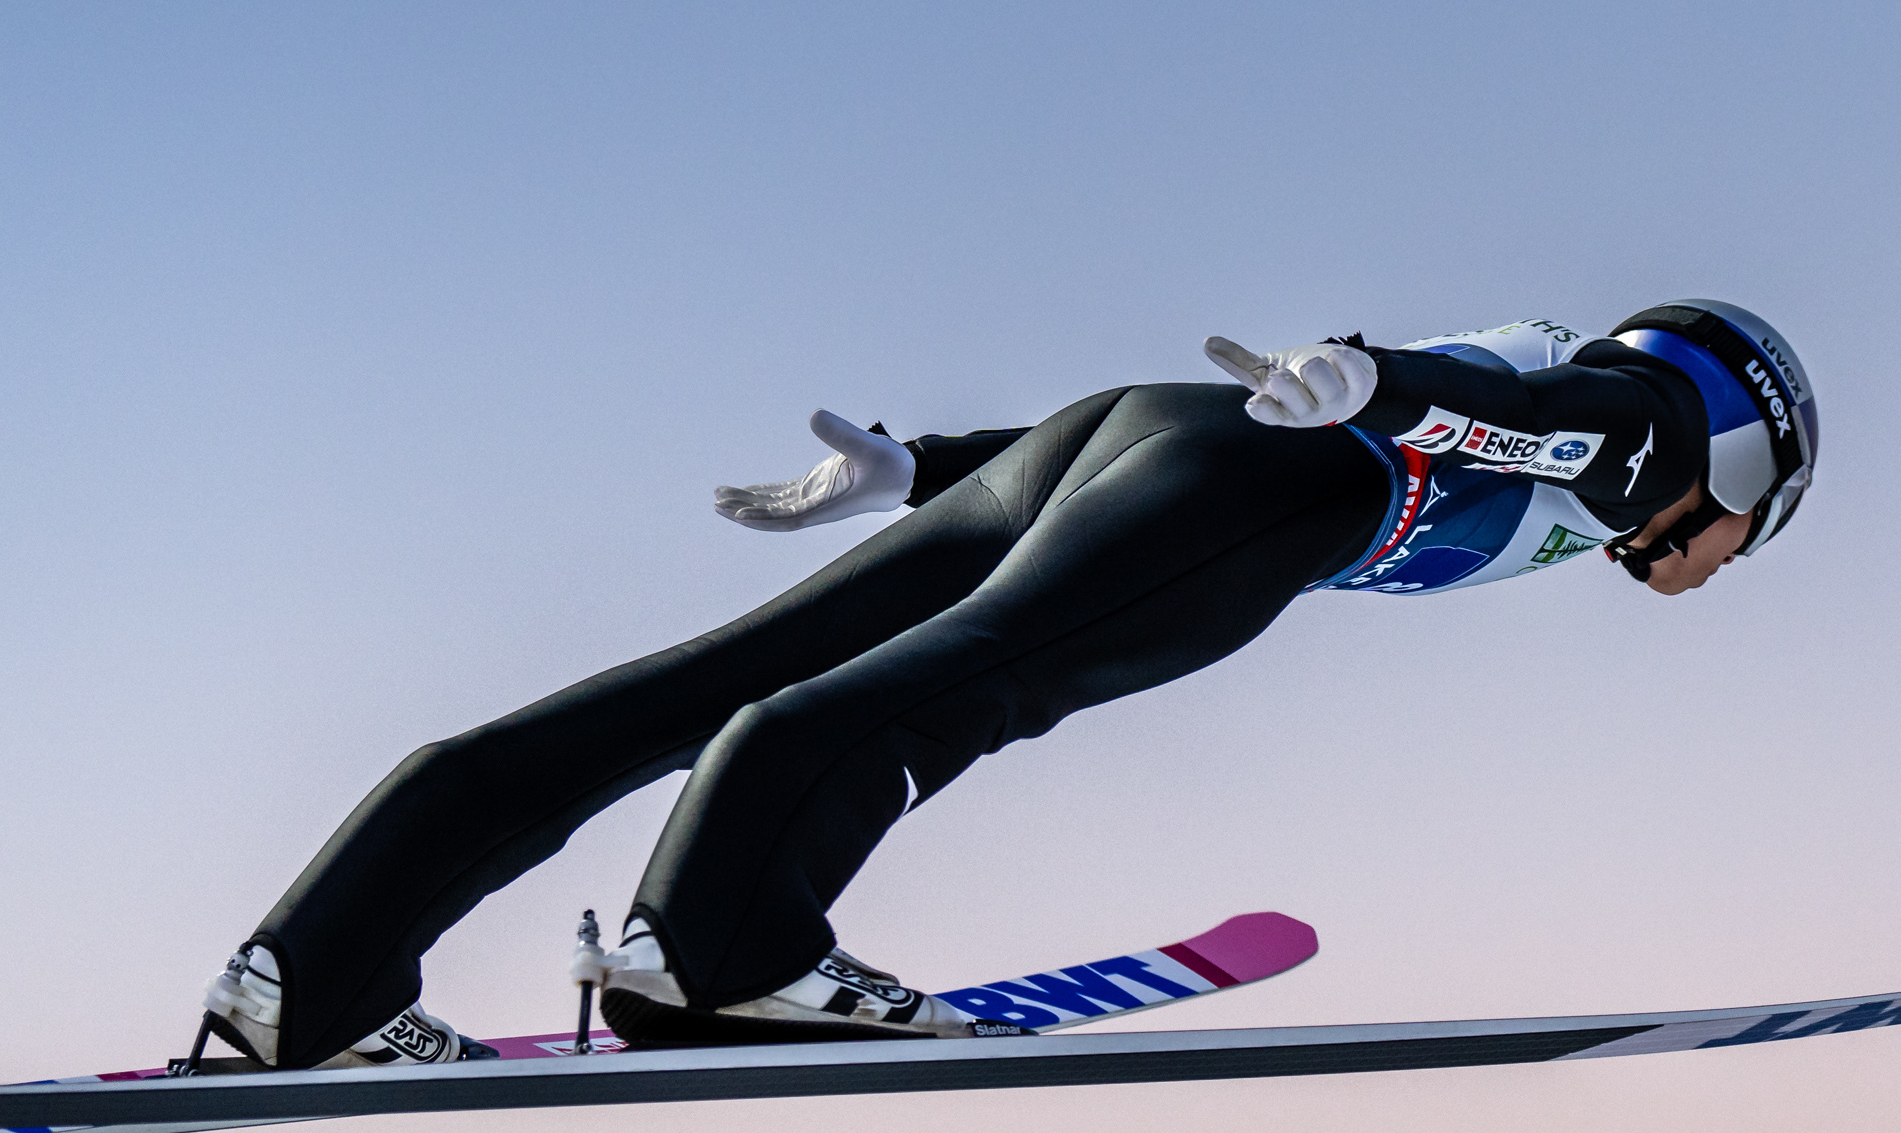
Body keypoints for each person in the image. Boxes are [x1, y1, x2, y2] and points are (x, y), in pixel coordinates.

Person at [191, 302, 1819, 1065]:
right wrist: (1385, 382)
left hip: (1125, 436)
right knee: (963, 680)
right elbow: (1514, 420)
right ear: (1746, 457)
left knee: (710, 680)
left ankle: (308, 977)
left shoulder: (1584, 412)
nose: (1728, 556)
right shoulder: (1644, 437)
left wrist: (926, 472)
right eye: (1761, 523)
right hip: (1264, 492)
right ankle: (715, 958)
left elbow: (1487, 403)